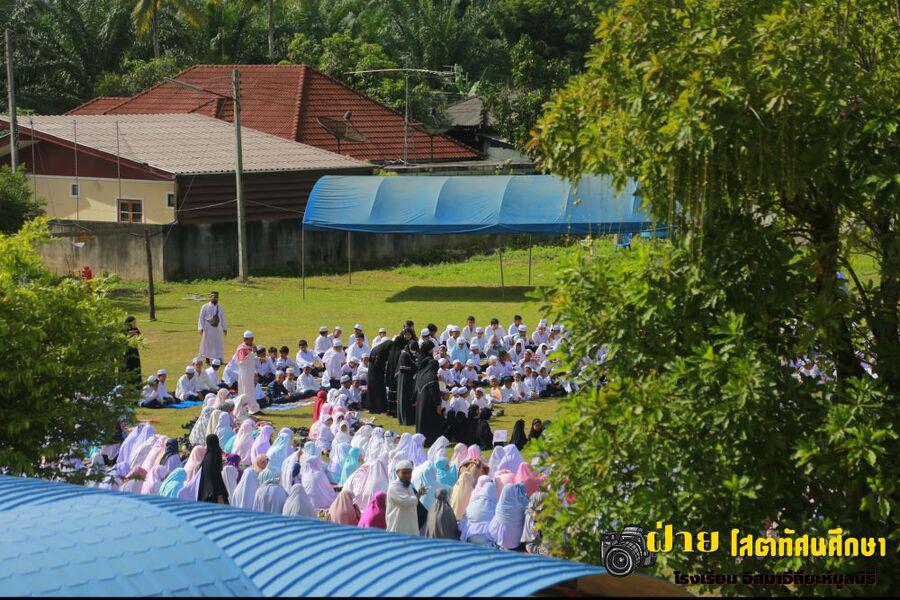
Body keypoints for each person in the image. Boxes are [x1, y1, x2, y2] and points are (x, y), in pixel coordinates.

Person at [414, 340, 445, 446]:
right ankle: (430, 441)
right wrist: (438, 405)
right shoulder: (432, 377)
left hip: (421, 401)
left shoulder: (422, 374)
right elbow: (435, 393)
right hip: (429, 404)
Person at [387, 460, 426, 536]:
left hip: (410, 526)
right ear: (397, 473)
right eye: (404, 473)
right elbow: (407, 502)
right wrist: (418, 494)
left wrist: (418, 494)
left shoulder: (409, 486)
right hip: (398, 527)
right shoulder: (394, 487)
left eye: (409, 473)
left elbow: (413, 503)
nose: (407, 476)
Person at [489, 483, 529, 550]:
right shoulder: (519, 508)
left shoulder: (499, 506)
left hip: (501, 542)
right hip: (516, 544)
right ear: (514, 493)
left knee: (496, 520)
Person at [233, 331, 262, 415]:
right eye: (250, 339)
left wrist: (258, 358)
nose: (252, 341)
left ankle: (253, 409)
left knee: (251, 391)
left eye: (252, 339)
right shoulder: (242, 349)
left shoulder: (251, 347)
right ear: (245, 339)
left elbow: (252, 359)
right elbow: (242, 361)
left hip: (250, 372)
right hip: (245, 372)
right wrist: (252, 353)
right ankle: (248, 409)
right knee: (246, 391)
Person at [385, 329, 411, 417]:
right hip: (397, 376)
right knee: (397, 393)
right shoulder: (400, 353)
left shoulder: (392, 352)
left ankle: (390, 410)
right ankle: (396, 411)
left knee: (391, 393)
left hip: (391, 376)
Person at [197, 434, 228, 504]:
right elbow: (216, 476)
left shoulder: (207, 456)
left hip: (205, 493)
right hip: (214, 494)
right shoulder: (215, 456)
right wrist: (220, 494)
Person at [198, 292, 227, 362]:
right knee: (208, 343)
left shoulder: (220, 307)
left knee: (218, 343)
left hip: (218, 329)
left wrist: (224, 328)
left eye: (216, 297)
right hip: (208, 328)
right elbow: (201, 318)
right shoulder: (205, 307)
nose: (215, 298)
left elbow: (223, 318)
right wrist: (200, 328)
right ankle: (207, 358)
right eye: (213, 297)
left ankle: (219, 358)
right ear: (210, 297)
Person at [367, 335, 392, 414]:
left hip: (373, 373)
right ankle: (379, 408)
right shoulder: (381, 352)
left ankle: (376, 407)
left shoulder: (376, 349)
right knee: (378, 391)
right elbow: (378, 363)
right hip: (376, 374)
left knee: (376, 391)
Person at [396, 341, 418, 426]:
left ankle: (409, 419)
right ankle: (406, 420)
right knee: (405, 400)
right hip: (405, 381)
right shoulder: (404, 355)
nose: (414, 351)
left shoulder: (409, 355)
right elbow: (405, 368)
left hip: (409, 382)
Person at [123, 316, 142, 388]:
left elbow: (140, 337)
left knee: (136, 366)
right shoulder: (124, 329)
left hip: (134, 350)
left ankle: (137, 384)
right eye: (133, 322)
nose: (134, 323)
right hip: (127, 351)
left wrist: (136, 335)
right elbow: (122, 339)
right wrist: (129, 335)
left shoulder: (135, 329)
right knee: (128, 367)